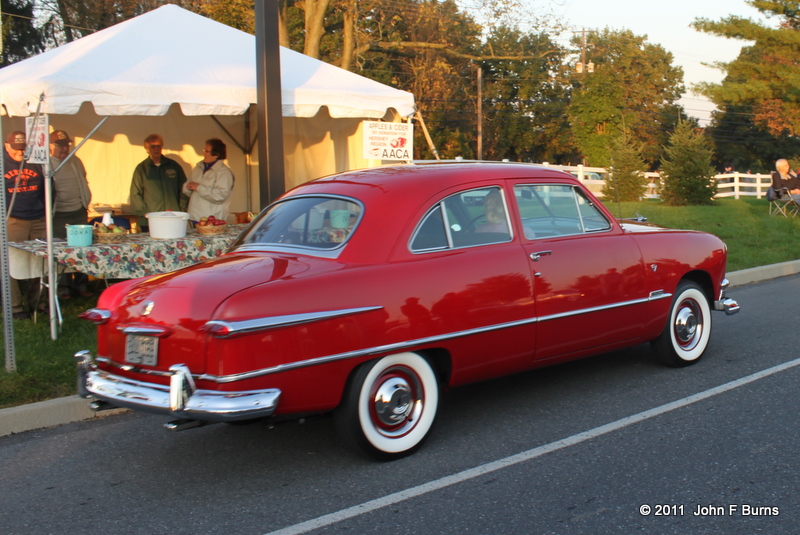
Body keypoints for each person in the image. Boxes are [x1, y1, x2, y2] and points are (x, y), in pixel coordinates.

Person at [3, 130, 47, 319]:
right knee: (12, 263)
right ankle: (15, 307)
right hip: (13, 220)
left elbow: (48, 187)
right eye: (16, 149)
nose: (20, 153)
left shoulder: (35, 160)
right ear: (6, 146)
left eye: (23, 149)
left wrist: (46, 210)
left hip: (38, 218)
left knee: (40, 262)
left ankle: (39, 303)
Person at [49, 129, 92, 298]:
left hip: (78, 211)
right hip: (58, 214)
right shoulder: (46, 164)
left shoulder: (76, 161)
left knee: (82, 249)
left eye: (66, 145)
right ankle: (63, 289)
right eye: (60, 145)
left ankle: (81, 285)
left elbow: (84, 178)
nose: (64, 149)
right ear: (51, 146)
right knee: (61, 251)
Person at [129, 134, 188, 230]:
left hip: (172, 216)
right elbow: (135, 192)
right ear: (147, 149)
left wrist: (182, 207)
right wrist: (143, 212)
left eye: (159, 146)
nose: (156, 149)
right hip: (151, 218)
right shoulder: (142, 169)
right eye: (153, 146)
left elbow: (184, 188)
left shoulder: (173, 165)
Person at [183, 138, 234, 222]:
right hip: (194, 216)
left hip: (211, 220)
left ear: (216, 155)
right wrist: (187, 187)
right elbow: (187, 191)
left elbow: (220, 196)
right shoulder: (198, 168)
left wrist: (199, 188)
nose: (203, 153)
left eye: (206, 151)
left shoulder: (224, 173)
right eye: (204, 150)